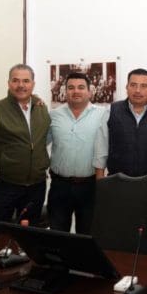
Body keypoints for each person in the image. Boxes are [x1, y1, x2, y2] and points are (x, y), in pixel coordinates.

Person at [0, 64, 50, 235]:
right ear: (8, 83)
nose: (21, 85)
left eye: (26, 81)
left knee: (30, 235)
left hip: (36, 185)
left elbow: (43, 141)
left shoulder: (41, 108)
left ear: (33, 84)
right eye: (15, 80)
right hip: (5, 184)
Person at [47, 72, 107, 234]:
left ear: (89, 91)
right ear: (65, 91)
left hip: (90, 186)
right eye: (71, 87)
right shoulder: (53, 115)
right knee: (57, 235)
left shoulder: (103, 114)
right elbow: (40, 143)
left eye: (81, 87)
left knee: (86, 236)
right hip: (59, 186)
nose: (76, 91)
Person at [97, 68, 147, 178]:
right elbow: (101, 149)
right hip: (117, 180)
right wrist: (100, 180)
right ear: (127, 87)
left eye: (143, 86)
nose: (137, 90)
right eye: (133, 85)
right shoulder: (111, 111)